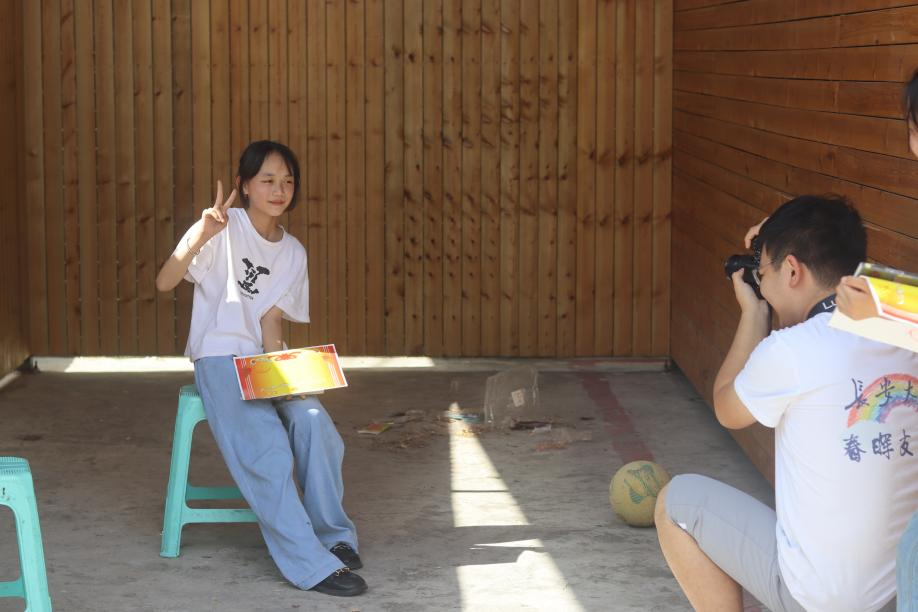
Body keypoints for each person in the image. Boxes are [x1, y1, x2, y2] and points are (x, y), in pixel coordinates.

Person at [654, 195, 918, 612]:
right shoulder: (905, 329)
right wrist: (784, 240)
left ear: (793, 271)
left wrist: (753, 315)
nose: (762, 286)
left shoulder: (791, 349)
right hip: (902, 594)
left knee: (676, 502)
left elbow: (726, 408)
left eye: (763, 273)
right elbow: (899, 293)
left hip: (819, 601)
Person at [155, 140, 367, 597]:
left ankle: (335, 538)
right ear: (244, 185)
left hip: (262, 362)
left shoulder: (293, 253)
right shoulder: (221, 226)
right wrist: (200, 235)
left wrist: (288, 380)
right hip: (218, 358)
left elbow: (271, 322)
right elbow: (165, 281)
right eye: (267, 179)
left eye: (287, 181)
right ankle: (309, 564)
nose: (279, 189)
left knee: (315, 424)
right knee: (268, 449)